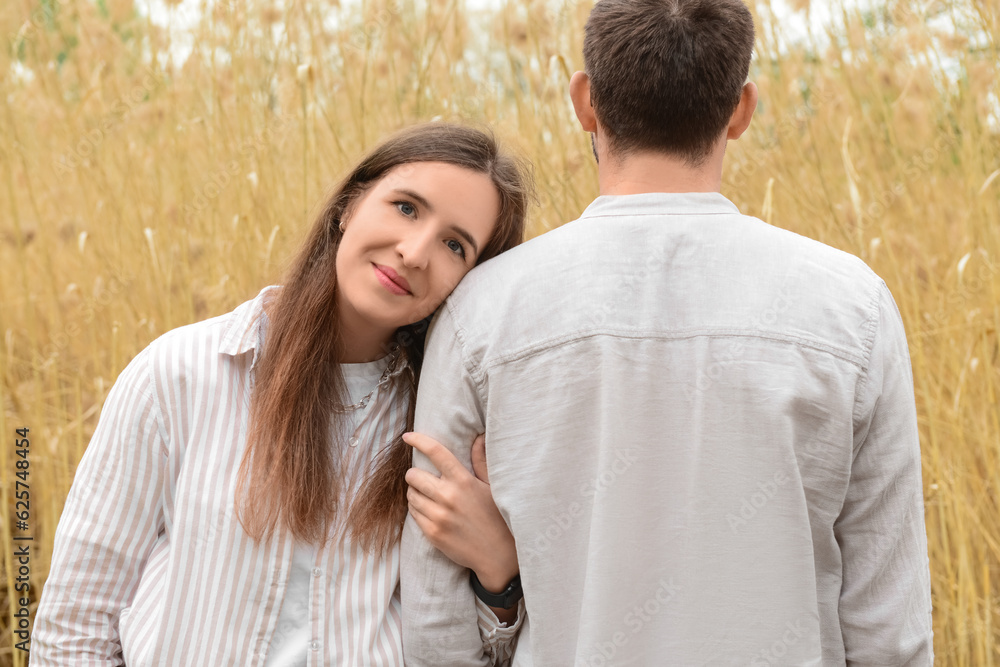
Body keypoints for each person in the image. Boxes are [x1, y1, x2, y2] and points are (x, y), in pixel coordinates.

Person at [400, 0, 934, 664]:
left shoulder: (481, 311)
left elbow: (432, 625)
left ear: (585, 101)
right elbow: (890, 632)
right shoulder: (855, 308)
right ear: (740, 110)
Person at [30, 122, 531, 666]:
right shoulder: (182, 374)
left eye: (455, 245)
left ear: (473, 280)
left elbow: (481, 653)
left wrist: (499, 575)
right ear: (349, 204)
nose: (414, 252)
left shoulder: (448, 427)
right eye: (406, 208)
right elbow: (76, 620)